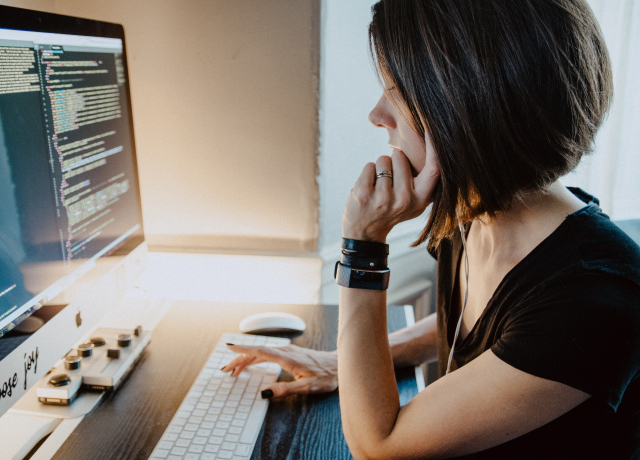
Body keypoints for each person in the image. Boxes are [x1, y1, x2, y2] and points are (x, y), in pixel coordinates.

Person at [222, 0, 640, 458]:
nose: (378, 114)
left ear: (471, 105)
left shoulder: (594, 295)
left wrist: (363, 245)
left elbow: (378, 445)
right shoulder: (476, 212)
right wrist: (343, 364)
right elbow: (501, 331)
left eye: (397, 92)